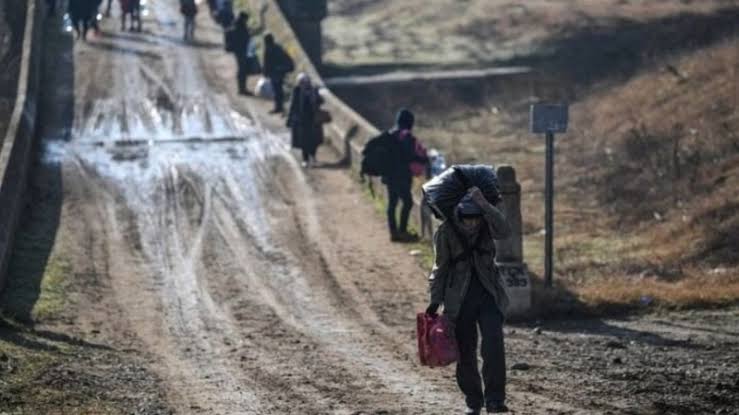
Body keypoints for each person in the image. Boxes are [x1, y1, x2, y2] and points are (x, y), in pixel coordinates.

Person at [427, 187, 511, 414]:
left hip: (489, 295)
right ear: (458, 214)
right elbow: (440, 268)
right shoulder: (445, 232)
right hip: (459, 301)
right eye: (467, 218)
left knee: (493, 345)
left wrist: (484, 205)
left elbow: (504, 230)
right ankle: (474, 401)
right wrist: (435, 300)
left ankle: (495, 399)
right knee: (466, 351)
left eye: (475, 218)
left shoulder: (487, 223)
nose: (472, 223)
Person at [380, 108, 427, 242]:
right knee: (407, 202)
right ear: (410, 123)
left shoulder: (389, 134)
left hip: (389, 175)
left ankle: (394, 232)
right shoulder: (408, 138)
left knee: (392, 203)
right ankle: (402, 231)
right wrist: (423, 160)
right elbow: (409, 157)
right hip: (401, 176)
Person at [287, 73, 326, 167]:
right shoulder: (296, 91)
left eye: (305, 82)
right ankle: (305, 159)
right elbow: (293, 105)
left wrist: (316, 97)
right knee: (303, 141)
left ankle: (313, 157)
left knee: (315, 140)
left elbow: (321, 101)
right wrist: (290, 119)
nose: (304, 84)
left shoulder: (313, 90)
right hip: (302, 120)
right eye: (302, 82)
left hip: (314, 120)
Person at [262, 33, 294, 114]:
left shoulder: (270, 49)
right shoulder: (277, 48)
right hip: (279, 71)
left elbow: (267, 63)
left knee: (277, 90)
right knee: (278, 89)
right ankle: (279, 107)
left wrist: (266, 72)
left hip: (276, 72)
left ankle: (279, 107)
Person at [224, 12, 252, 95]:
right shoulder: (241, 28)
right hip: (241, 51)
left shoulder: (235, 26)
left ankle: (242, 89)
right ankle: (242, 89)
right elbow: (246, 37)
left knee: (241, 70)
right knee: (242, 70)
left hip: (238, 51)